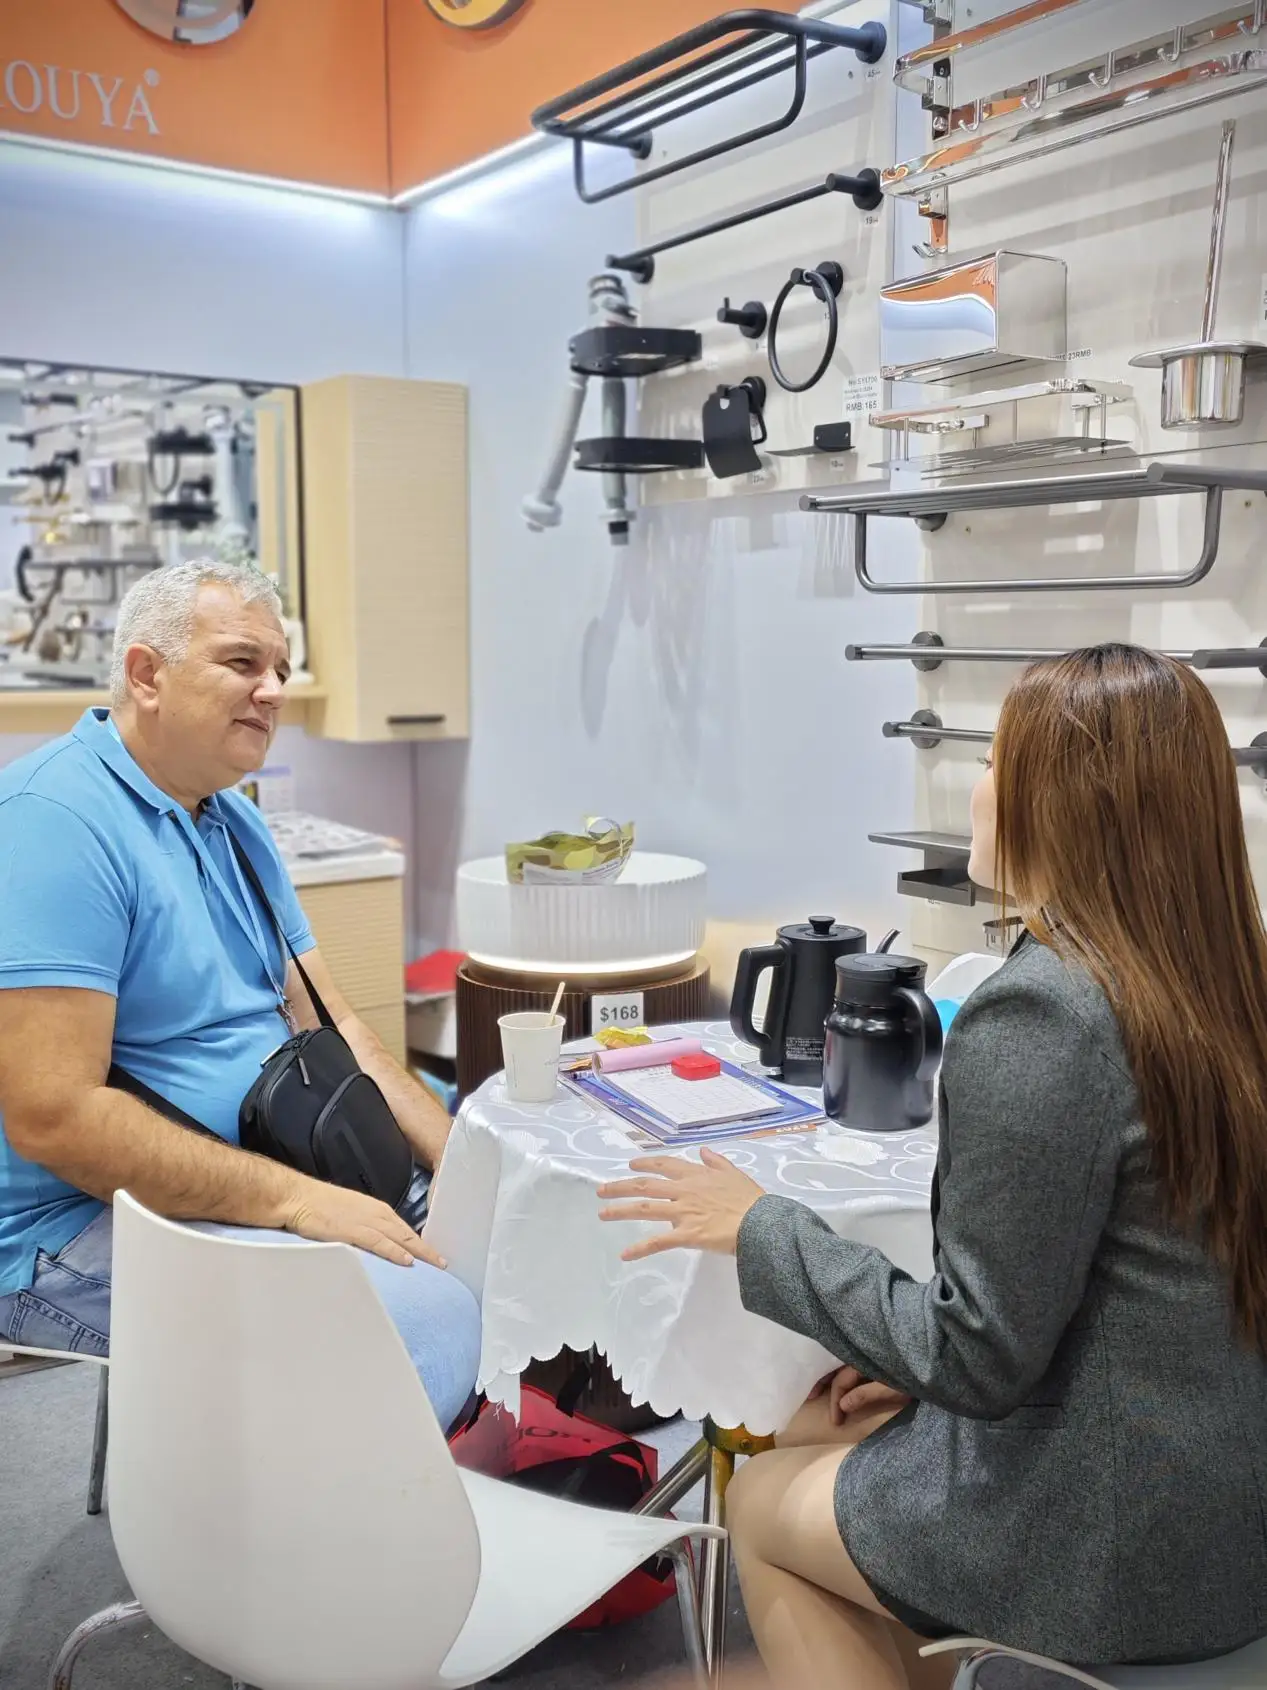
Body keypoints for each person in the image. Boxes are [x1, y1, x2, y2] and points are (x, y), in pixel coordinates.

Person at [599, 644, 1267, 1684]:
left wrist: (762, 1225)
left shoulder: (1045, 1012)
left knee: (765, 1498)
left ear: (1065, 800)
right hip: (1228, 1507)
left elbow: (976, 1357)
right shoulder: (1225, 983)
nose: (978, 787)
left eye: (997, 759)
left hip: (1114, 1537)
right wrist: (923, 1379)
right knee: (832, 1427)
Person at [0, 559, 480, 1430]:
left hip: (276, 1157)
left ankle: (454, 1489)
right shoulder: (51, 824)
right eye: (242, 663)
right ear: (147, 674)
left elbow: (332, 1023)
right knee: (419, 1327)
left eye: (283, 671)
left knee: (509, 1237)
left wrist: (461, 1160)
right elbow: (54, 1116)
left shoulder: (231, 817)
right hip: (76, 1220)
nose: (271, 692)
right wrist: (298, 1203)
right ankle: (347, 1553)